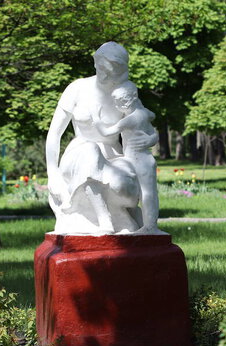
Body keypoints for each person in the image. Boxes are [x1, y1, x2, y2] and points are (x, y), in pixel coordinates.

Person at [45, 42, 157, 234]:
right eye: (102, 68)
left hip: (113, 157)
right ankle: (104, 220)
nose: (104, 75)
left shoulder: (124, 94)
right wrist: (52, 172)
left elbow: (142, 121)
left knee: (124, 187)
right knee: (91, 150)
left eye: (111, 71)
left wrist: (149, 140)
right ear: (96, 63)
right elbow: (54, 133)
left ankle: (124, 220)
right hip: (78, 154)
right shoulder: (77, 88)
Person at [92, 81, 164, 234]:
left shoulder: (130, 119)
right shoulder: (144, 114)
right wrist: (151, 139)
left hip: (139, 161)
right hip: (143, 159)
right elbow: (152, 124)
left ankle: (150, 227)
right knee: (148, 193)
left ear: (127, 102)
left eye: (118, 103)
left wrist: (96, 119)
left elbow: (107, 132)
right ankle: (149, 225)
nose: (117, 106)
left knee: (147, 194)